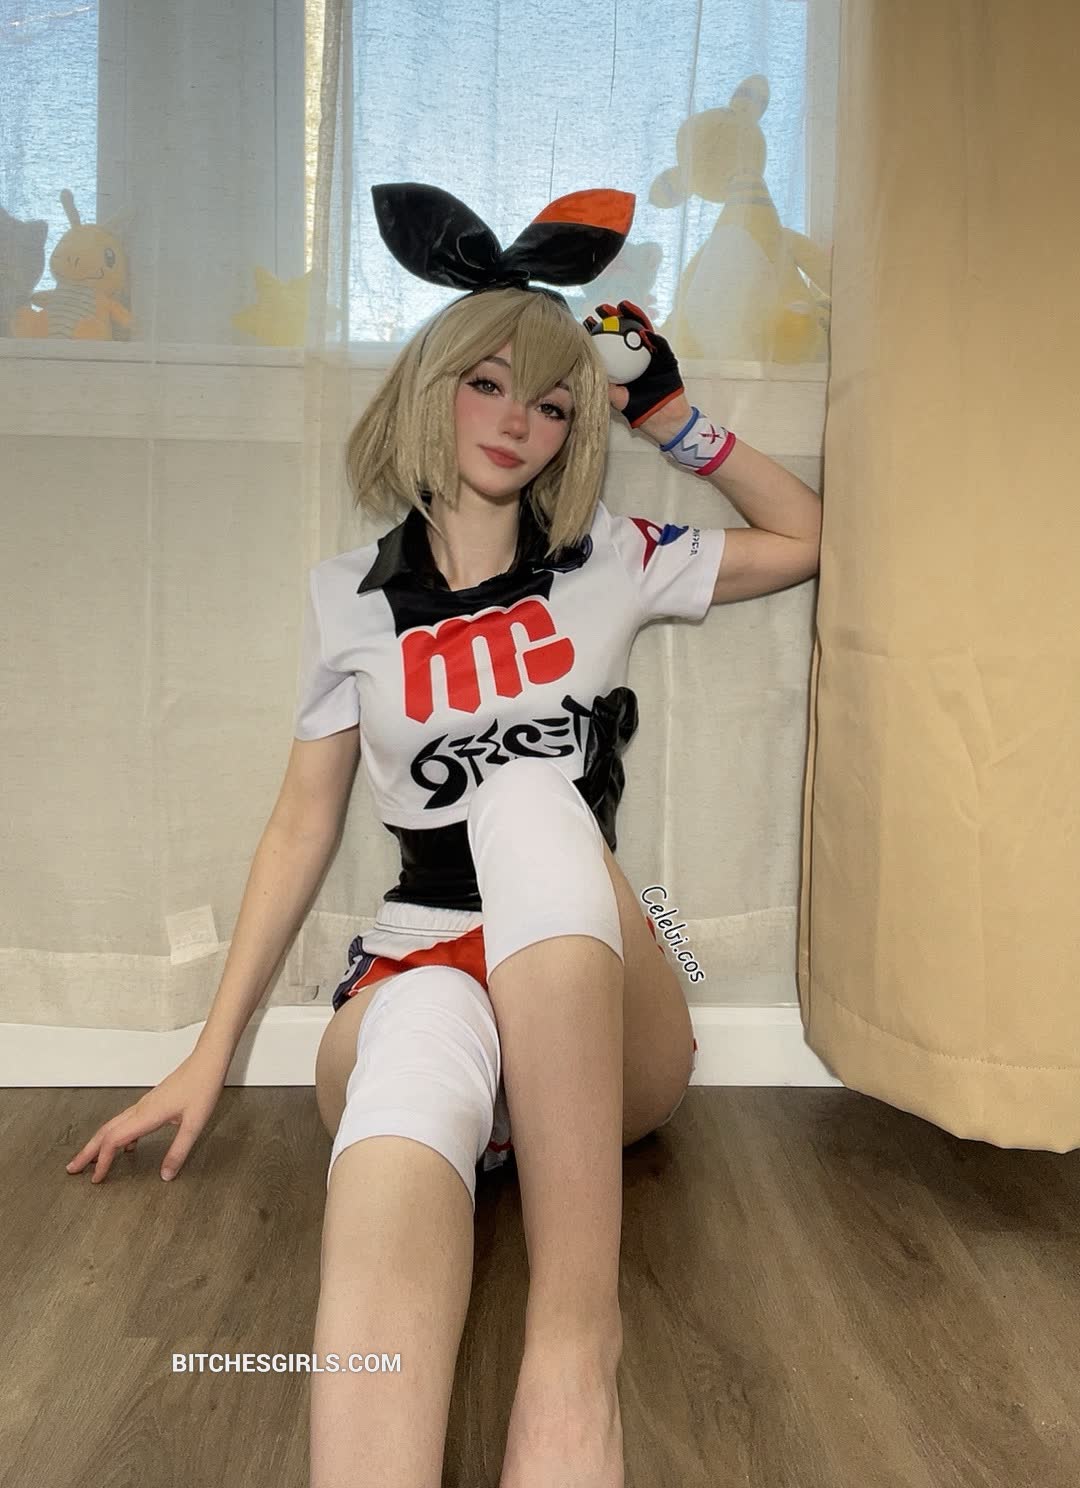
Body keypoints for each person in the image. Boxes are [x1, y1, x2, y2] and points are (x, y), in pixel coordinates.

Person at [65, 182, 818, 1488]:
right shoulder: (348, 601)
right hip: (421, 958)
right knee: (416, 1027)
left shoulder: (614, 557)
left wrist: (671, 418)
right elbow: (300, 826)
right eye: (487, 384)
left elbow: (809, 537)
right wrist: (208, 1054)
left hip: (606, 980)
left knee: (525, 798)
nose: (519, 420)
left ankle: (573, 1361)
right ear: (432, 391)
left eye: (554, 403)